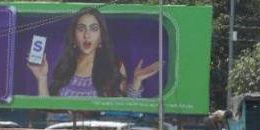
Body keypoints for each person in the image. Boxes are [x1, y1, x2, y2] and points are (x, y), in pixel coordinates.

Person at [27, 7, 160, 98]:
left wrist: (137, 81)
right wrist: (42, 78)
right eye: (81, 29)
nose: (87, 35)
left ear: (101, 36)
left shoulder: (114, 67)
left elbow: (123, 113)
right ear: (74, 36)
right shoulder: (65, 67)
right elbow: (49, 112)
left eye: (94, 29)